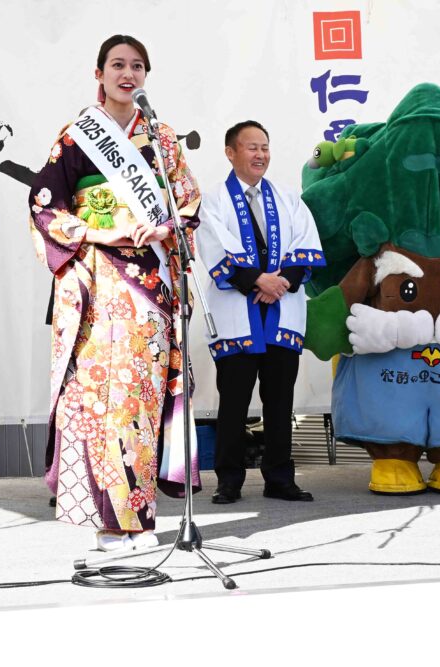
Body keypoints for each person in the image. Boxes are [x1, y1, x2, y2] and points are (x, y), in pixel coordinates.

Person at [29, 35, 201, 552]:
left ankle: (140, 521)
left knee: (139, 403)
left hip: (150, 288)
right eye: (118, 65)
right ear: (98, 73)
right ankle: (106, 522)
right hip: (98, 283)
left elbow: (189, 203)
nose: (128, 74)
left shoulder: (161, 138)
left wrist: (165, 227)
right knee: (99, 401)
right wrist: (99, 232)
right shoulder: (76, 137)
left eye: (138, 66)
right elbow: (44, 205)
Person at [196, 121, 325, 503]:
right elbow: (214, 248)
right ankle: (229, 480)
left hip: (282, 312)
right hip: (237, 315)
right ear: (230, 152)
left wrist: (280, 282)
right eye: (252, 147)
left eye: (265, 147)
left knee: (280, 402)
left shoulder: (287, 199)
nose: (260, 154)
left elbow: (306, 243)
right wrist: (257, 281)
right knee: (233, 403)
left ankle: (280, 479)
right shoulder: (214, 200)